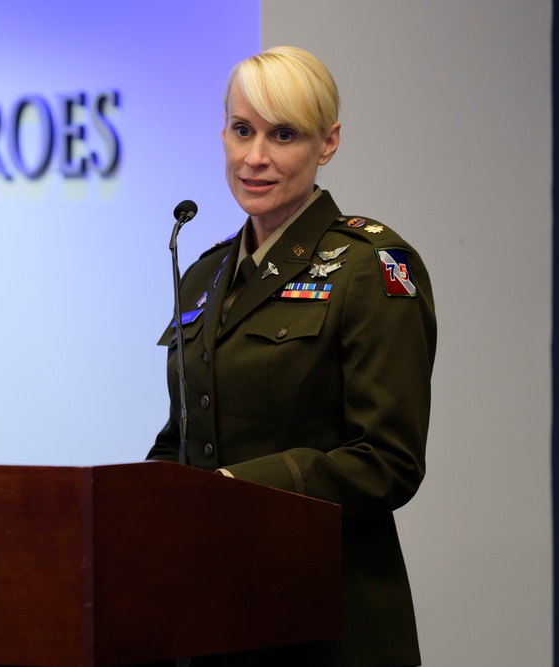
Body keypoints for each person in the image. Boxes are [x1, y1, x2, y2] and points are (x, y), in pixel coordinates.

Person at [147, 46, 436, 667]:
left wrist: (234, 492)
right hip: (215, 622)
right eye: (242, 130)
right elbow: (185, 438)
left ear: (327, 143)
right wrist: (131, 507)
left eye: (284, 135)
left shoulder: (372, 267)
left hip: (328, 624)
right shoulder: (202, 275)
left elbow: (387, 460)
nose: (255, 158)